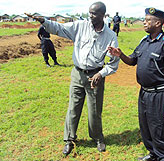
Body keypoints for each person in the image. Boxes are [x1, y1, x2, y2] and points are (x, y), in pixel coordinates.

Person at [26, 1, 119, 156]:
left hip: (95, 77)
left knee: (95, 110)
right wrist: (44, 21)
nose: (90, 15)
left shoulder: (110, 36)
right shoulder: (80, 26)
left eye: (94, 13)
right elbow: (59, 28)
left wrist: (101, 74)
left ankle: (97, 138)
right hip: (77, 74)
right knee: (73, 108)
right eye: (89, 12)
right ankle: (69, 140)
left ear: (103, 15)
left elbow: (114, 62)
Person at [107, 7, 164, 161]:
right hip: (144, 93)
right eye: (145, 20)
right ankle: (153, 154)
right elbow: (133, 60)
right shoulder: (144, 41)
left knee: (160, 128)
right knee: (146, 127)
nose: (144, 23)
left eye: (148, 21)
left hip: (160, 94)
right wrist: (120, 55)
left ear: (158, 23)